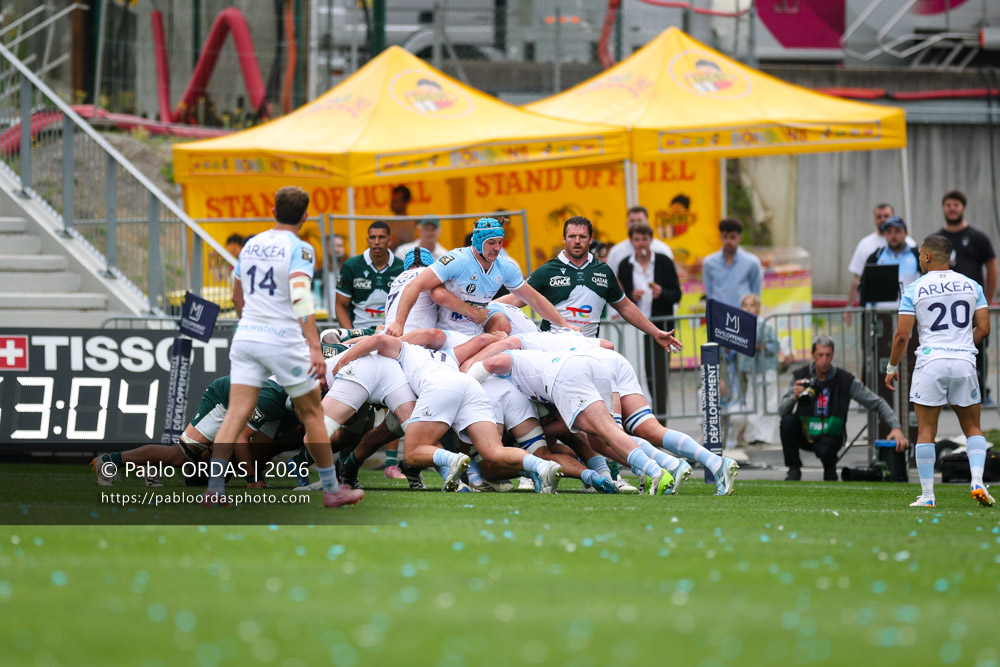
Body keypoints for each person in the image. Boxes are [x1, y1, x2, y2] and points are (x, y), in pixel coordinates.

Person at [208, 186, 363, 508]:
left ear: (273, 210)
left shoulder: (251, 244)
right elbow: (299, 295)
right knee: (312, 414)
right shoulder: (301, 249)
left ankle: (214, 491)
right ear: (305, 216)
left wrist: (250, 321)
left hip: (246, 334)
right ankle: (333, 491)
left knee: (236, 413)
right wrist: (314, 347)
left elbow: (237, 297)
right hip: (281, 339)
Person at [886, 234, 994, 507]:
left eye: (920, 255)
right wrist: (963, 343)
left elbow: (901, 336)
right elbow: (984, 328)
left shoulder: (915, 289)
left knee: (926, 431)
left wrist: (892, 366)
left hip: (931, 362)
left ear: (927, 256)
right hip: (963, 362)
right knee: (972, 427)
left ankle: (928, 495)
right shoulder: (972, 285)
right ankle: (978, 480)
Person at [385, 217, 575, 338]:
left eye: (500, 243)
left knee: (502, 323)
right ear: (477, 242)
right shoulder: (456, 259)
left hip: (477, 330)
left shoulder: (505, 265)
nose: (497, 248)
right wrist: (398, 323)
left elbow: (533, 298)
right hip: (449, 334)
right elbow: (416, 286)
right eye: (491, 242)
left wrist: (565, 326)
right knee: (501, 343)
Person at [780, 335, 907, 481]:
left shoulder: (845, 379)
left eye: (828, 355)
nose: (824, 360)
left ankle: (830, 467)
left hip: (830, 437)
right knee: (787, 421)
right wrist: (794, 397)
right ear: (813, 354)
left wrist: (896, 427)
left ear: (833, 354)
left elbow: (877, 402)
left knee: (827, 454)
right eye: (820, 355)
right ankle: (793, 469)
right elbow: (782, 411)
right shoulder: (799, 376)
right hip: (805, 433)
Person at [936, 189, 997, 405]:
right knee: (944, 351)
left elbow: (992, 267)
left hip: (972, 308)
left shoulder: (978, 237)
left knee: (977, 349)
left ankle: (979, 393)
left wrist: (986, 300)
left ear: (963, 208)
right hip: (945, 311)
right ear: (943, 208)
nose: (952, 209)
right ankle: (946, 395)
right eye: (948, 205)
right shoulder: (938, 240)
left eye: (956, 205)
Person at [616, 222, 682, 416]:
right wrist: (630, 295)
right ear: (631, 242)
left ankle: (660, 422)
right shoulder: (625, 265)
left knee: (659, 378)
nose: (641, 243)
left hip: (660, 327)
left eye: (644, 239)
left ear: (651, 240)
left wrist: (662, 293)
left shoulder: (664, 262)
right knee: (634, 375)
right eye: (637, 239)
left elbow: (677, 294)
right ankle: (638, 420)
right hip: (633, 329)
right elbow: (620, 296)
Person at [702, 218, 763, 408]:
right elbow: (710, 292)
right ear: (721, 237)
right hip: (719, 322)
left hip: (742, 322)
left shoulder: (752, 262)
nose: (729, 241)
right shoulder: (709, 263)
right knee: (720, 370)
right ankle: (725, 411)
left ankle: (743, 411)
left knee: (743, 369)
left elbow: (755, 292)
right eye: (726, 237)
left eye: (733, 237)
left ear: (740, 238)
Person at [730, 293, 779, 445]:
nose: (749, 308)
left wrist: (761, 346)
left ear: (758, 308)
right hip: (750, 370)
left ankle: (765, 436)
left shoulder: (765, 325)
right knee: (753, 402)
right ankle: (753, 435)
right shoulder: (739, 326)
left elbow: (774, 346)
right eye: (746, 305)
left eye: (752, 305)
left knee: (769, 402)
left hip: (766, 368)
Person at [335, 221, 403, 329]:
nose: (376, 242)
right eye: (372, 237)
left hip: (391, 332)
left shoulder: (402, 268)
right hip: (359, 330)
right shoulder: (351, 266)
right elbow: (340, 306)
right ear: (368, 240)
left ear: (389, 240)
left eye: (381, 237)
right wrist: (351, 334)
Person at [846, 203, 916, 307]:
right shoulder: (872, 252)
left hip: (908, 312)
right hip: (879, 312)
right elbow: (858, 280)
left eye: (886, 216)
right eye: (879, 216)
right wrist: (850, 307)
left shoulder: (913, 249)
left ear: (905, 233)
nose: (893, 235)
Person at [861, 216, 921, 308]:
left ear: (906, 233)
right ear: (884, 234)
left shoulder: (917, 255)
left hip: (910, 313)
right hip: (881, 314)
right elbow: (866, 288)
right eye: (889, 232)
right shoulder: (875, 257)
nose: (893, 236)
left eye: (897, 231)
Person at [605, 206, 675, 275]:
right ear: (627, 224)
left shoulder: (662, 249)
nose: (635, 224)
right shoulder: (616, 252)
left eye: (639, 221)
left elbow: (671, 279)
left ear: (648, 223)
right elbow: (611, 280)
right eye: (632, 221)